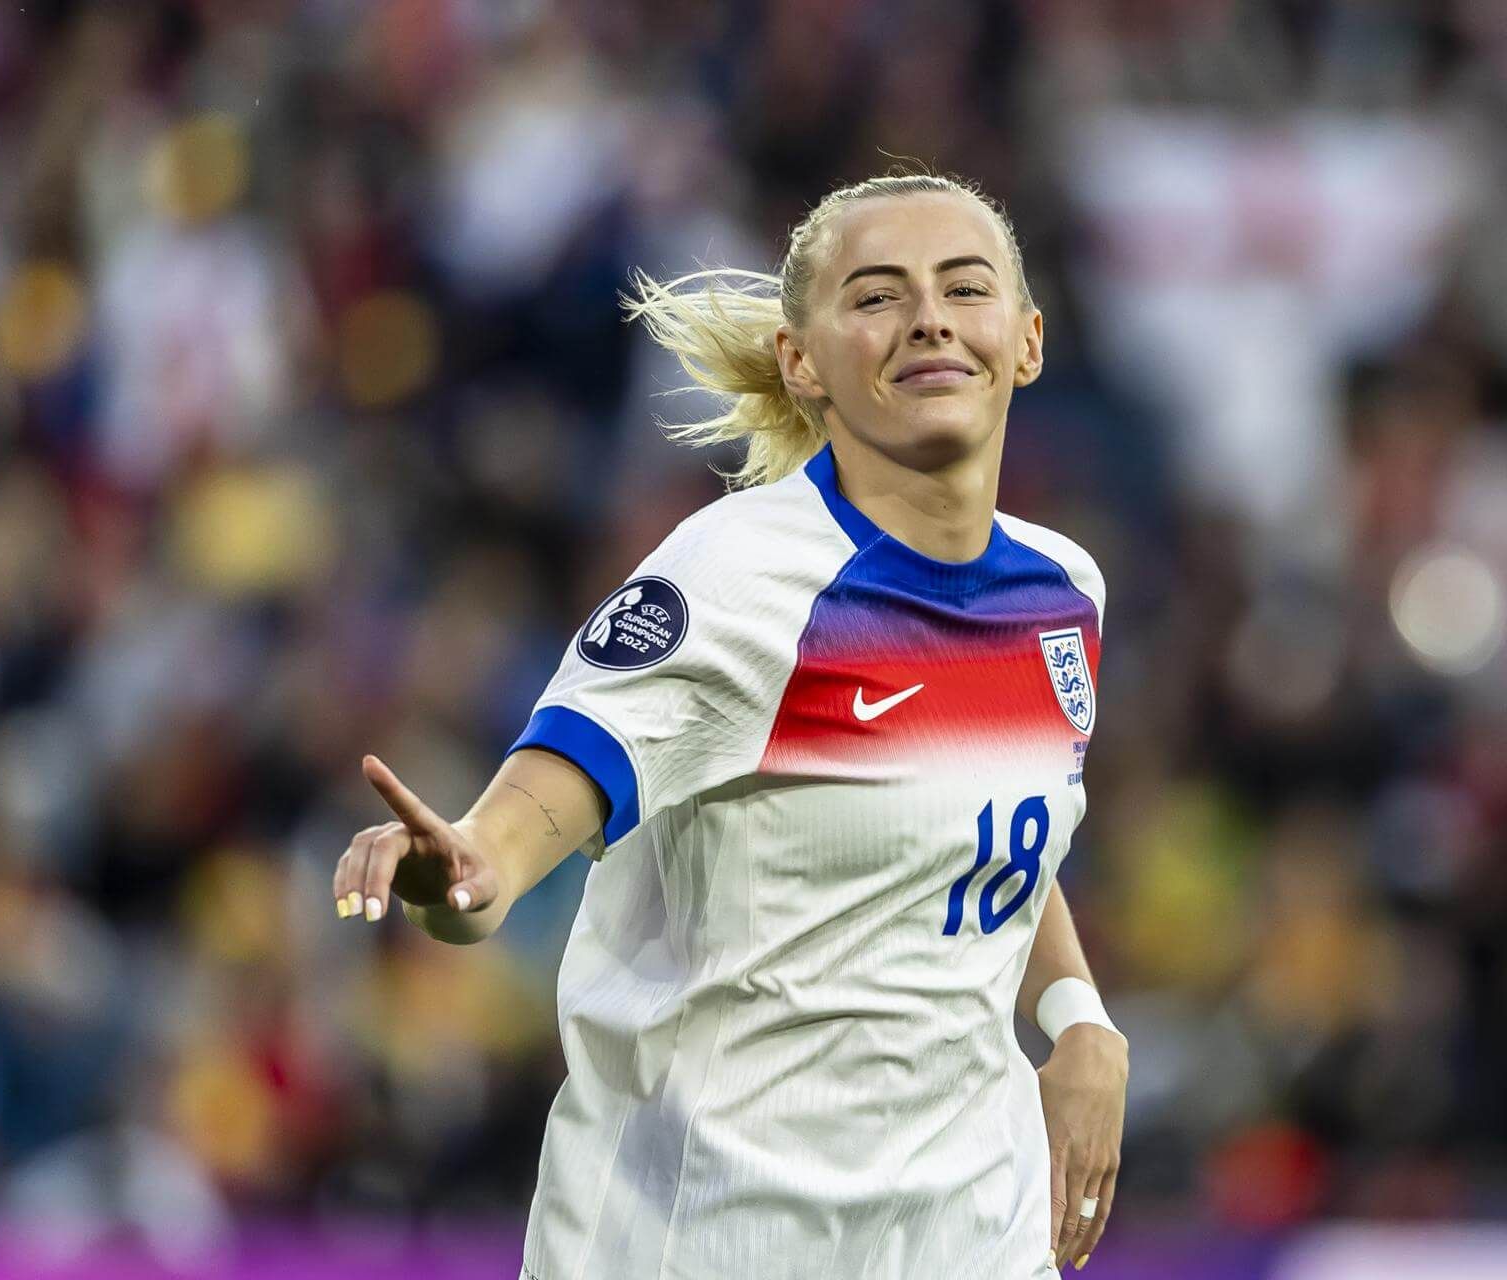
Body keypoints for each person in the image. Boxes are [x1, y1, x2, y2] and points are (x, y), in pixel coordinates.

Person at [331, 173, 1129, 1278]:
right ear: (804, 361)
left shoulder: (1064, 592)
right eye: (878, 296)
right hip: (706, 1238)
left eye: (965, 287)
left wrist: (1078, 1014)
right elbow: (510, 839)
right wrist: (459, 869)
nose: (931, 318)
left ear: (1028, 339)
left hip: (967, 1237)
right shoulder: (736, 582)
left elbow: (993, 832)